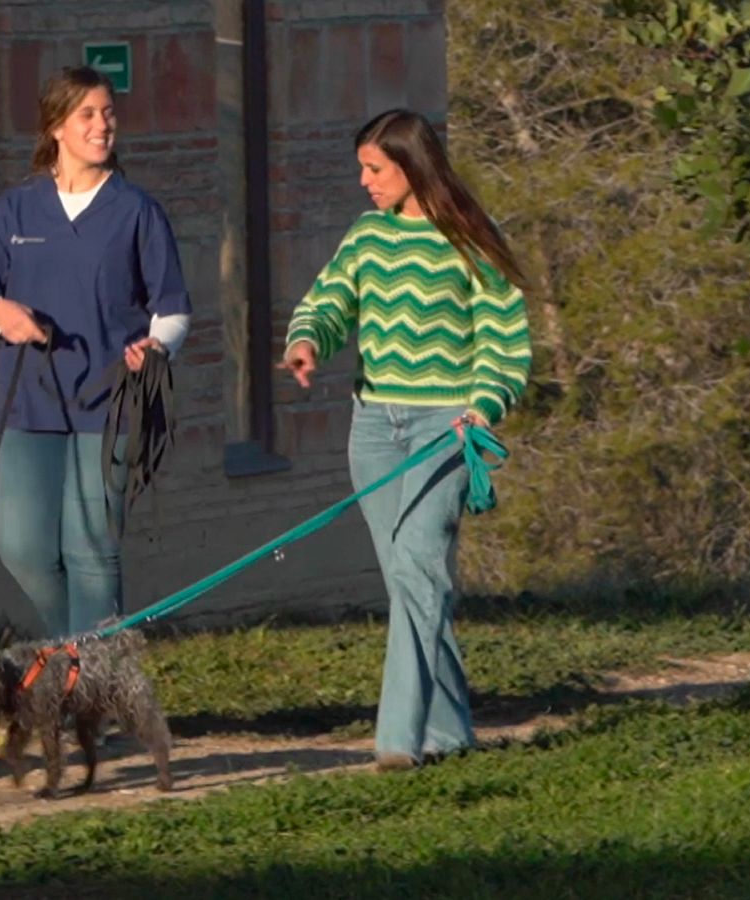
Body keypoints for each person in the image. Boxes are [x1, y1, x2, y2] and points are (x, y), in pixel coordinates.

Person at [281, 108, 532, 771]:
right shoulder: (368, 236)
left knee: (419, 570)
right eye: (362, 169)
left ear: (412, 166)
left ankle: (396, 740)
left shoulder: (471, 238)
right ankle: (449, 734)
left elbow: (504, 341)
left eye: (374, 169)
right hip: (373, 430)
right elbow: (328, 301)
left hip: (445, 428)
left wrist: (482, 406)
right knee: (408, 583)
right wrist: (308, 341)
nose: (364, 181)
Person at [0, 66, 192, 639]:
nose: (102, 125)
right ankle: (88, 656)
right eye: (87, 114)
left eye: (108, 113)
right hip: (28, 406)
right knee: (21, 547)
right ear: (56, 126)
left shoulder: (137, 212)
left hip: (108, 407)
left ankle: (91, 681)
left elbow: (173, 309)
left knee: (91, 553)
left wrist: (157, 347)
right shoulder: (14, 211)